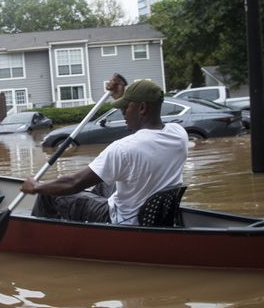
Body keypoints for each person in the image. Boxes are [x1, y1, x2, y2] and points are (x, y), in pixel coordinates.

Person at [20, 75, 188, 225]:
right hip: (153, 214)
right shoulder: (178, 134)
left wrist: (36, 186)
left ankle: (41, 234)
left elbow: (73, 183)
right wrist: (121, 96)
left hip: (122, 219)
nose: (123, 114)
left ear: (142, 108)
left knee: (49, 193)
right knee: (103, 180)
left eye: (125, 108)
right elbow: (145, 136)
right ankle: (82, 219)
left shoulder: (122, 149)